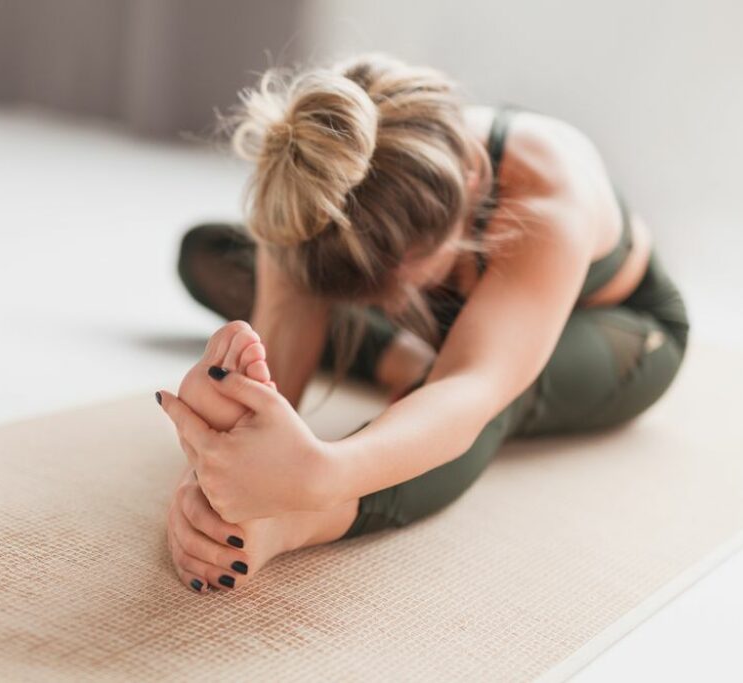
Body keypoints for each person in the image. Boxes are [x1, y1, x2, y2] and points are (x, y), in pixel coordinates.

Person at [155, 53, 691, 594]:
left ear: (471, 179)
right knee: (213, 252)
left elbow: (470, 387)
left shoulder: (548, 193)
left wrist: (315, 480)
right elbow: (285, 329)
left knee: (484, 400)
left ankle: (301, 524)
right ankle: (402, 359)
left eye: (401, 285)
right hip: (437, 321)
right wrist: (218, 464)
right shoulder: (317, 169)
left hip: (616, 327)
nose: (390, 304)